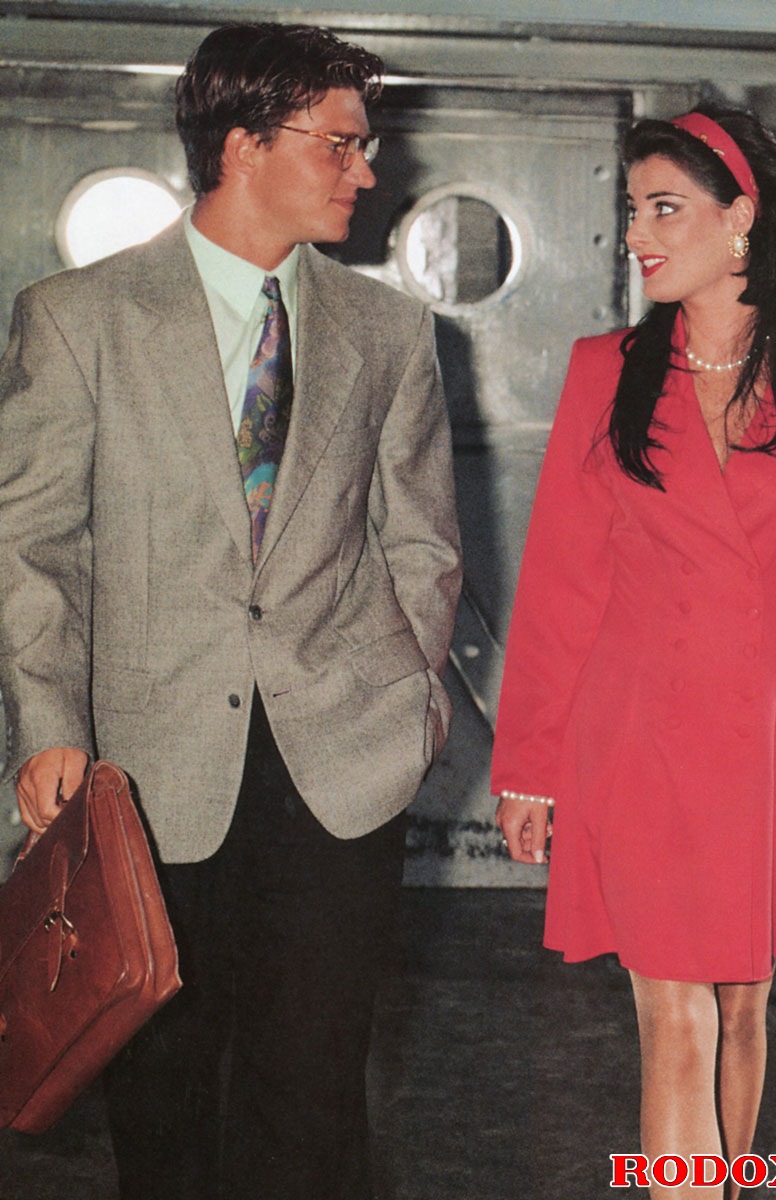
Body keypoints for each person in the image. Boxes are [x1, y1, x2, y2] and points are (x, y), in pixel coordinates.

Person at [0, 21, 461, 1200]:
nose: (366, 170)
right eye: (339, 144)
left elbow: (418, 539)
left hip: (339, 763)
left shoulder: (389, 331)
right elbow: (34, 542)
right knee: (160, 1100)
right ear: (245, 145)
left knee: (312, 1102)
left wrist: (407, 700)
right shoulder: (78, 316)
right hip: (147, 766)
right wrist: (49, 725)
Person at [492, 104, 776, 1199]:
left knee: (741, 1003)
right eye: (630, 210)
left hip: (772, 745)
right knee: (671, 1008)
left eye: (662, 208)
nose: (635, 234)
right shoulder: (605, 370)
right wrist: (528, 767)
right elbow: (560, 584)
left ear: (740, 218)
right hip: (640, 738)